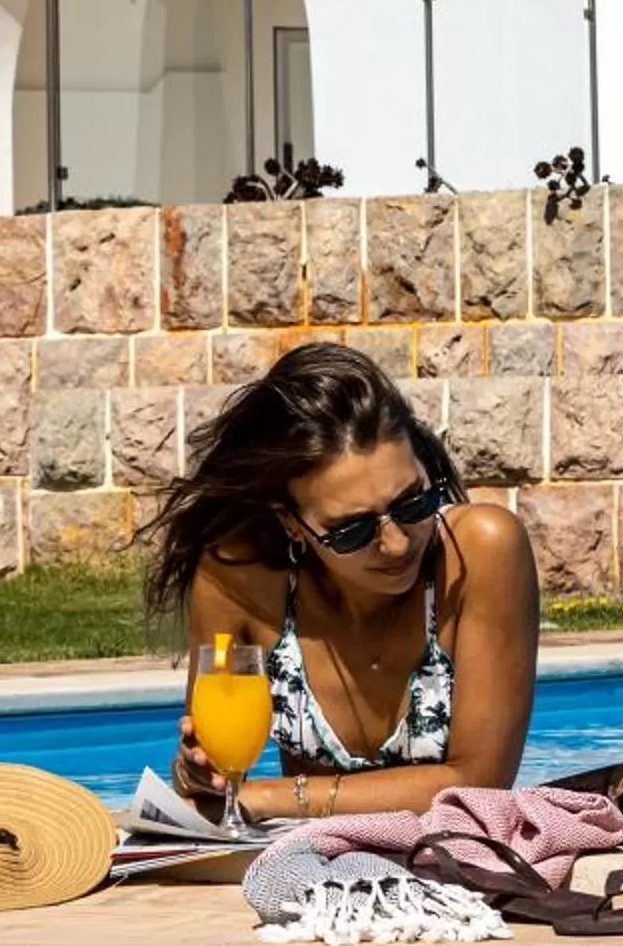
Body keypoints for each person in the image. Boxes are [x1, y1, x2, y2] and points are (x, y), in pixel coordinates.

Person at [148, 342, 539, 822]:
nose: (395, 543)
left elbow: (478, 784)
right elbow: (217, 779)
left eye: (413, 502)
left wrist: (273, 797)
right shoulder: (236, 581)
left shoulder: (480, 552)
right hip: (312, 876)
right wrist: (196, 773)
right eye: (352, 530)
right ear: (291, 523)